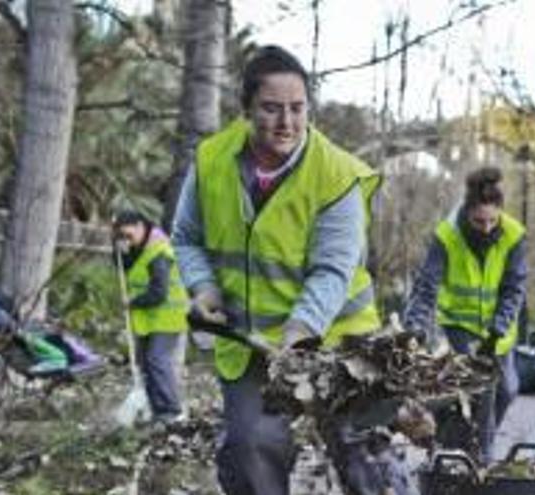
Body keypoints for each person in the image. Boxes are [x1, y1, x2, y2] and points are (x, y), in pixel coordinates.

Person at [171, 45, 381, 495]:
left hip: (340, 340)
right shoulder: (211, 162)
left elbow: (331, 270)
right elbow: (187, 237)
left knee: (364, 452)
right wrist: (204, 289)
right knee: (250, 449)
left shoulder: (337, 175)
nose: (287, 122)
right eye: (271, 108)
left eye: (297, 108)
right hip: (251, 346)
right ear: (246, 109)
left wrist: (300, 332)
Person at [403, 166, 527, 461]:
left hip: (499, 331)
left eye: (491, 220)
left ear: (500, 212)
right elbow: (426, 288)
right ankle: (480, 462)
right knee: (483, 389)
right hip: (461, 325)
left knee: (508, 390)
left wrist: (497, 330)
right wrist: (415, 329)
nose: (485, 227)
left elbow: (514, 288)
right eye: (478, 221)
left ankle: (458, 440)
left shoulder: (513, 235)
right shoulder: (447, 236)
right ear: (466, 212)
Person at [113, 210, 189, 423]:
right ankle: (156, 410)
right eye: (122, 237)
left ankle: (173, 411)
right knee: (146, 364)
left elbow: (159, 292)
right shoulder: (140, 248)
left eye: (128, 235)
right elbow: (127, 269)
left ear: (140, 226)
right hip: (149, 319)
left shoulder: (159, 250)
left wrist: (132, 302)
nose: (127, 240)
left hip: (168, 318)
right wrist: (122, 252)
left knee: (157, 360)